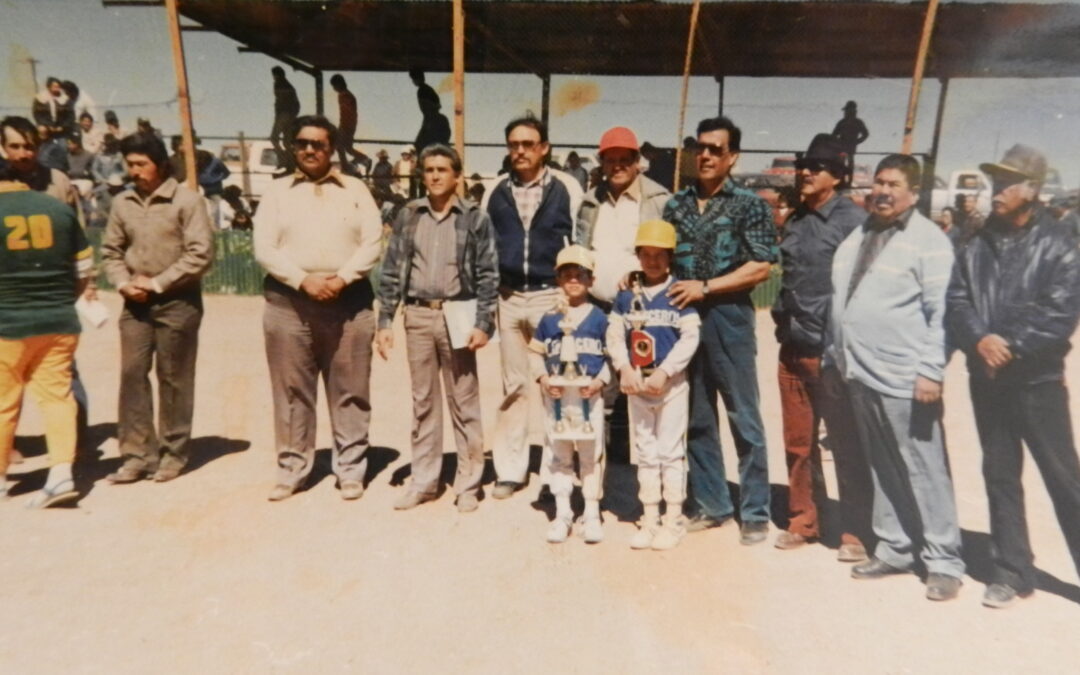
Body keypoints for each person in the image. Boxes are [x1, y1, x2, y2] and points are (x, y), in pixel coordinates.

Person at [946, 144, 1080, 609]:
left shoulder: (1061, 242)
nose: (997, 191)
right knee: (999, 473)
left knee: (1064, 479)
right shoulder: (975, 240)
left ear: (1033, 189)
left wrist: (1007, 346)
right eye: (995, 182)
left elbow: (1060, 312)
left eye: (1008, 182)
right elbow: (956, 299)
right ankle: (1011, 570)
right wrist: (979, 340)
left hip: (1037, 383)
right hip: (987, 379)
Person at [828, 153, 964, 601]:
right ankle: (895, 547)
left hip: (907, 377)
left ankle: (944, 561)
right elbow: (843, 297)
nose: (883, 191)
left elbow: (942, 312)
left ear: (914, 193)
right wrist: (838, 355)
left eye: (893, 185)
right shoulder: (861, 233)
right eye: (879, 182)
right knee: (881, 462)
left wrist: (931, 370)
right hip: (860, 371)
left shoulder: (929, 241)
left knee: (925, 468)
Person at [254, 115, 382, 502]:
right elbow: (264, 247)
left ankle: (351, 469)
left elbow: (372, 242)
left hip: (348, 303)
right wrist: (302, 280)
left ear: (332, 149)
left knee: (351, 390)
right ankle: (292, 469)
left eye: (318, 144)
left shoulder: (356, 189)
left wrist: (342, 278)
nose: (310, 150)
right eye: (303, 143)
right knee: (293, 393)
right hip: (289, 304)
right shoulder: (277, 192)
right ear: (293, 147)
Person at [663, 116, 778, 544]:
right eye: (701, 148)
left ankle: (755, 512)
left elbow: (761, 265)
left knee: (743, 415)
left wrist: (708, 286)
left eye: (716, 149)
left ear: (733, 157)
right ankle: (713, 504)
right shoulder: (676, 205)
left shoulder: (749, 205)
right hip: (684, 316)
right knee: (696, 415)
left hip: (729, 316)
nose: (707, 156)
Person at [376, 143, 498, 513]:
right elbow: (392, 269)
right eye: (429, 170)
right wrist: (385, 320)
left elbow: (488, 274)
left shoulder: (475, 218)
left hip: (458, 315)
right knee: (423, 402)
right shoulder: (409, 215)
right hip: (418, 315)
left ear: (456, 176)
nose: (434, 176)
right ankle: (424, 482)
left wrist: (483, 323)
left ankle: (468, 483)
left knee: (464, 400)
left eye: (442, 169)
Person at [771, 133, 872, 560]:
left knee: (846, 444)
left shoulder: (855, 221)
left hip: (830, 353)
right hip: (792, 348)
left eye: (817, 166)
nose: (806, 172)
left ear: (838, 175)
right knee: (798, 443)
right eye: (804, 166)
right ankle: (804, 520)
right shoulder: (796, 219)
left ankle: (856, 531)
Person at [100, 132, 214, 484]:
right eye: (130, 164)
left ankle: (173, 454)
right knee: (131, 374)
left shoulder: (187, 201)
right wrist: (123, 283)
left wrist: (158, 283)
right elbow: (111, 252)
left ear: (161, 165)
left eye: (141, 164)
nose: (134, 171)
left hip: (178, 302)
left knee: (174, 378)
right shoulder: (123, 202)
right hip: (134, 304)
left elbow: (200, 254)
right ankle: (137, 456)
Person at [482, 116, 584, 500]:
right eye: (514, 144)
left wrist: (570, 294)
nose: (520, 151)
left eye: (528, 144)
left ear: (544, 148)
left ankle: (555, 472)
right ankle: (510, 470)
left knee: (555, 384)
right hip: (508, 297)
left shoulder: (566, 187)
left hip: (549, 296)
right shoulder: (495, 190)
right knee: (514, 387)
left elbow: (579, 242)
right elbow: (485, 246)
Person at [0, 167, 94, 507]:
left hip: (6, 323)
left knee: (3, 403)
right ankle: (61, 475)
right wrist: (60, 301)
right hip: (58, 320)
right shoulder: (58, 209)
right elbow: (84, 270)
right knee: (57, 398)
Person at [607, 220, 701, 550]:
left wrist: (666, 370)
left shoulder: (678, 292)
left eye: (660, 255)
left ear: (670, 257)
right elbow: (614, 335)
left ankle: (673, 518)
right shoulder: (627, 294)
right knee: (645, 451)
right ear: (637, 256)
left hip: (670, 384)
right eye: (646, 254)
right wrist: (623, 367)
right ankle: (649, 516)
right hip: (637, 383)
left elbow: (690, 337)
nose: (652, 261)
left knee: (670, 452)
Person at [528, 245, 609, 543]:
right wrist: (543, 378)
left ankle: (591, 512)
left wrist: (600, 381)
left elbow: (612, 358)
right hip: (558, 397)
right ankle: (563, 513)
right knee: (559, 454)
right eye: (567, 275)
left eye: (580, 275)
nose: (573, 280)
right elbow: (534, 353)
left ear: (591, 280)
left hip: (589, 396)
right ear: (558, 279)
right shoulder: (550, 318)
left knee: (590, 454)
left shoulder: (599, 317)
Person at [576, 126, 671, 308]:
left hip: (641, 307)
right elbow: (582, 250)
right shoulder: (590, 202)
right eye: (610, 160)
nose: (617, 166)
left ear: (637, 161)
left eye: (624, 160)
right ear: (602, 164)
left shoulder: (658, 201)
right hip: (594, 307)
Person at [329, 74, 371, 175]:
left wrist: (343, 127)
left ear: (338, 84)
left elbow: (347, 113)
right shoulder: (346, 95)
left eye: (334, 86)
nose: (334, 88)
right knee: (347, 148)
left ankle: (346, 167)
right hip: (348, 125)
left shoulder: (345, 95)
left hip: (347, 125)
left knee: (339, 146)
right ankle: (364, 159)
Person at [269, 66, 301, 171]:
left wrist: (279, 116)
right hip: (290, 115)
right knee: (286, 141)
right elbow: (297, 104)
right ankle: (291, 163)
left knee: (274, 138)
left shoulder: (279, 84)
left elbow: (280, 102)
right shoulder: (289, 86)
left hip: (283, 114)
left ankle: (283, 161)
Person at [832, 101, 869, 180]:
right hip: (843, 147)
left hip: (848, 147)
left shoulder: (856, 122)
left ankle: (848, 180)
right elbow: (834, 134)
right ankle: (843, 180)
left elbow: (865, 134)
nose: (846, 112)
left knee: (848, 163)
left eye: (847, 110)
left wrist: (856, 141)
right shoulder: (843, 122)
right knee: (843, 162)